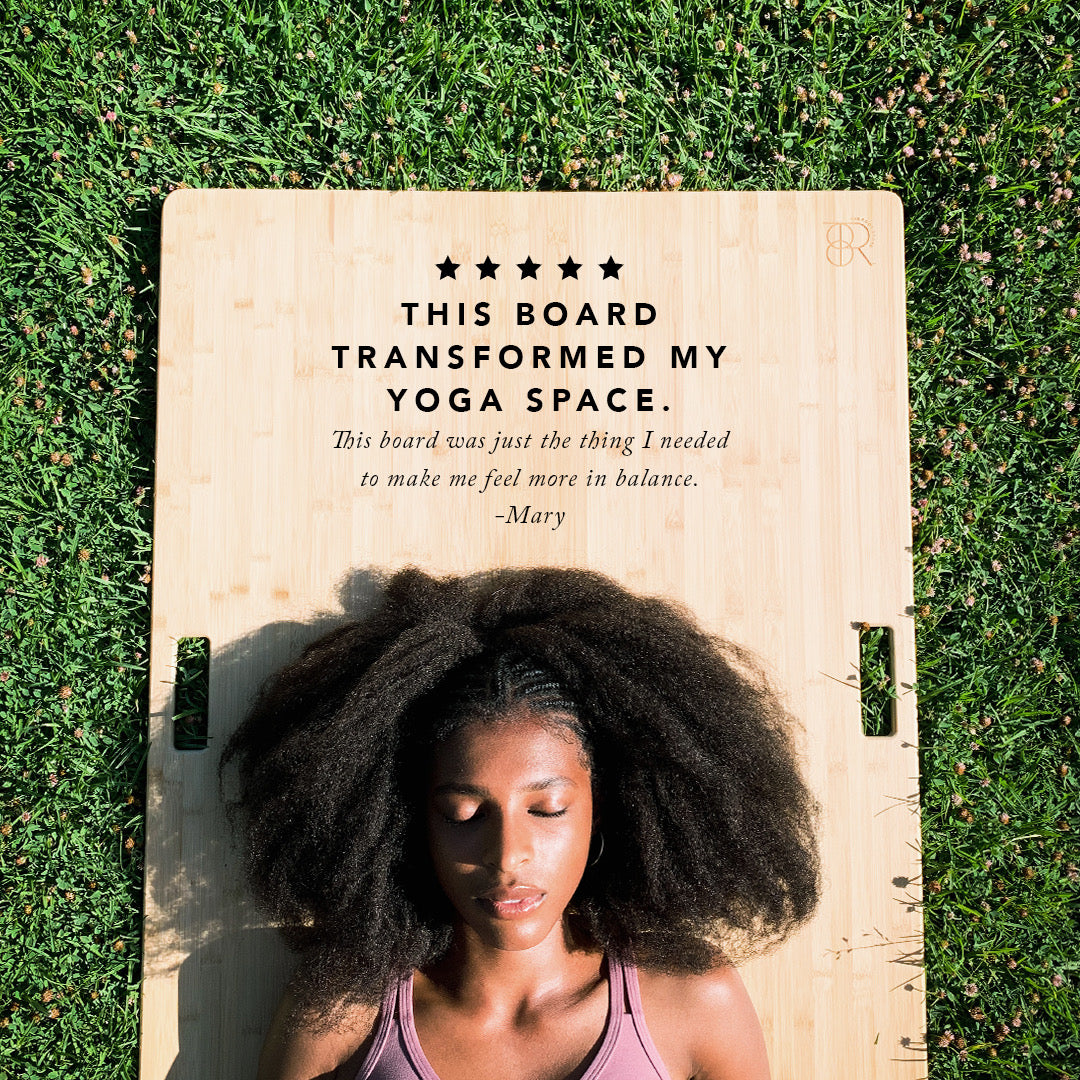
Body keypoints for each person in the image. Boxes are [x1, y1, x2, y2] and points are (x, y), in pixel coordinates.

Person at [218, 567, 821, 1080]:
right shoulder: (343, 1012)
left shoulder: (694, 1003)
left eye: (548, 810)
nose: (508, 856)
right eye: (463, 813)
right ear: (406, 821)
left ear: (605, 809)